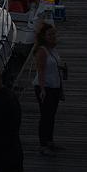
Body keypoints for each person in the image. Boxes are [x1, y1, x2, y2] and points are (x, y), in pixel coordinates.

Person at [32, 21, 65, 155]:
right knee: (45, 116)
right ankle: (43, 145)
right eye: (49, 34)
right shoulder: (42, 51)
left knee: (51, 115)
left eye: (53, 34)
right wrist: (42, 89)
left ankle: (50, 141)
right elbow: (40, 70)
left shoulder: (53, 49)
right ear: (43, 36)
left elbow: (55, 66)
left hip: (55, 86)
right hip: (45, 87)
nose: (52, 36)